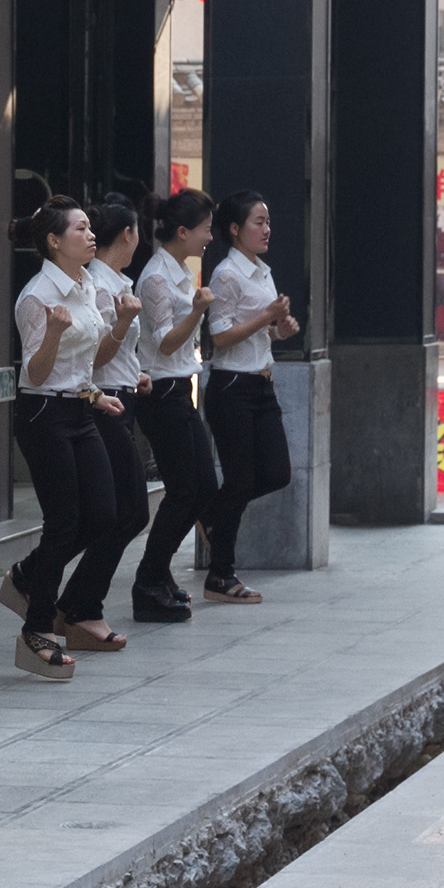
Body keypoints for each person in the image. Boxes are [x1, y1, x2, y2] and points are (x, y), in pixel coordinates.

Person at [0, 195, 119, 680]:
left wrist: (94, 393)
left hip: (79, 409)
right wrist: (50, 333)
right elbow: (38, 370)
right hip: (43, 412)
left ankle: (28, 576)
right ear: (53, 241)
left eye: (91, 229)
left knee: (104, 516)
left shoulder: (87, 284)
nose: (91, 237)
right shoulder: (36, 296)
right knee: (64, 521)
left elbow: (86, 360)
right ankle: (37, 629)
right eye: (81, 229)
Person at [200, 190, 297, 603]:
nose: (267, 228)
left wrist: (279, 331)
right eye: (258, 221)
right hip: (231, 387)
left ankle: (212, 514)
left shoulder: (261, 271)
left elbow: (257, 330)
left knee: (276, 473)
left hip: (261, 382)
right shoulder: (226, 274)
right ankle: (221, 576)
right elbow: (220, 337)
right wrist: (266, 317)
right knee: (240, 480)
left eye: (269, 221)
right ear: (235, 229)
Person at [131, 188, 218, 621]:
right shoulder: (156, 278)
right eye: (205, 229)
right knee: (186, 489)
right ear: (183, 231)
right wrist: (198, 312)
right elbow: (165, 344)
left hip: (179, 389)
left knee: (202, 488)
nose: (209, 237)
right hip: (161, 393)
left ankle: (157, 574)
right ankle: (148, 581)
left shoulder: (178, 271)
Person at [69, 193, 154, 632]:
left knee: (122, 512)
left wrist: (134, 372)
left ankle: (78, 603)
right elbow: (94, 357)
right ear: (128, 233)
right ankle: (79, 604)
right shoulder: (99, 285)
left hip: (121, 396)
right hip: (102, 404)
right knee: (129, 512)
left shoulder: (118, 281)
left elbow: (113, 352)